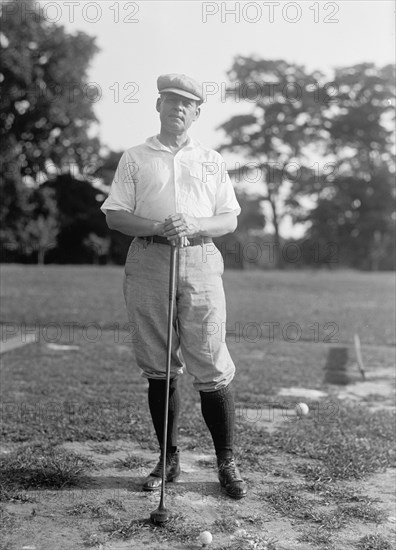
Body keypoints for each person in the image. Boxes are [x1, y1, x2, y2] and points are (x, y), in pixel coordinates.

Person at [101, 73, 247, 499]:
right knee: (159, 364)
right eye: (170, 100)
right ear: (158, 105)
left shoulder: (211, 159)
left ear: (197, 112)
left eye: (187, 103)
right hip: (149, 259)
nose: (177, 107)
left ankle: (226, 461)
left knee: (211, 361)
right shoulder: (134, 157)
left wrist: (196, 223)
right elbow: (114, 215)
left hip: (200, 259)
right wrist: (158, 227)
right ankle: (168, 458)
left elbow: (229, 217)